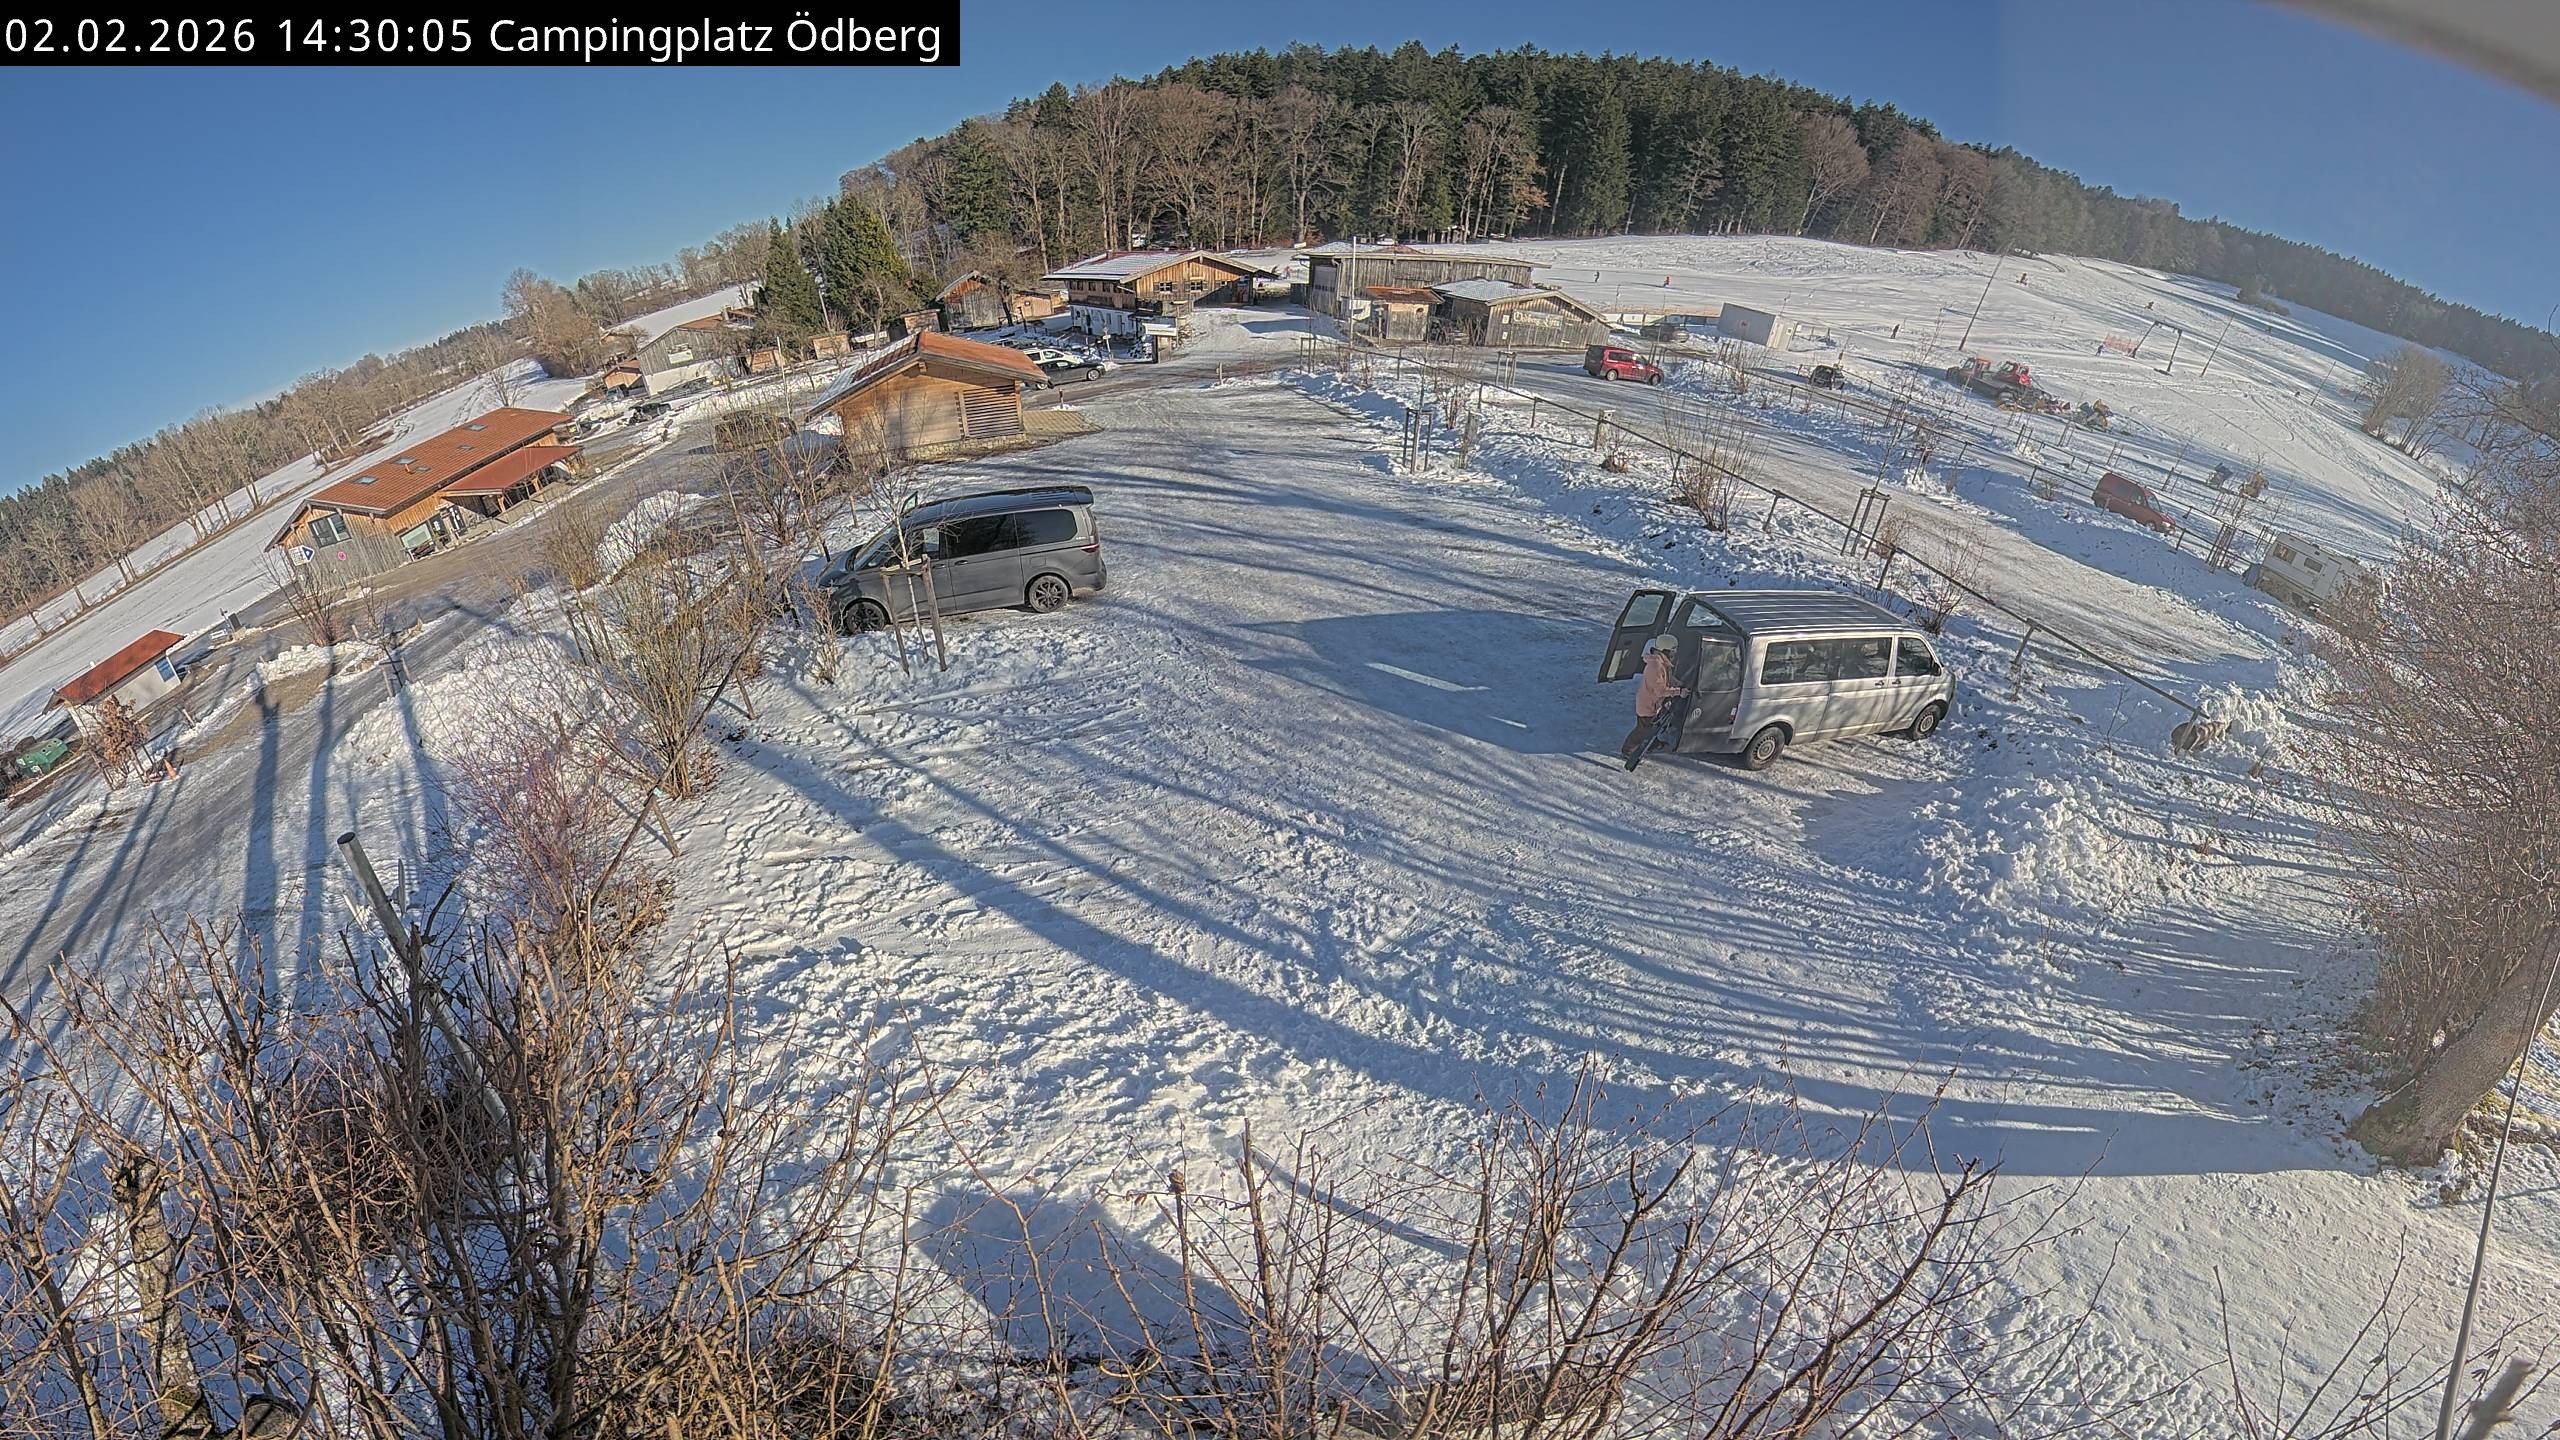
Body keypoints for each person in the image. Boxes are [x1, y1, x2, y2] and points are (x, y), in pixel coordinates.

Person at [1620, 634, 1690, 771]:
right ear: (1665, 650)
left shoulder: (1662, 663)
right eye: (1673, 650)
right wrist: (1678, 692)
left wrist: (1680, 685)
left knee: (1651, 727)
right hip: (1647, 704)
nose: (1674, 652)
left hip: (1653, 703)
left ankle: (1653, 743)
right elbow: (1660, 690)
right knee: (1642, 730)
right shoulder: (1655, 667)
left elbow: (1668, 680)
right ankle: (1627, 750)